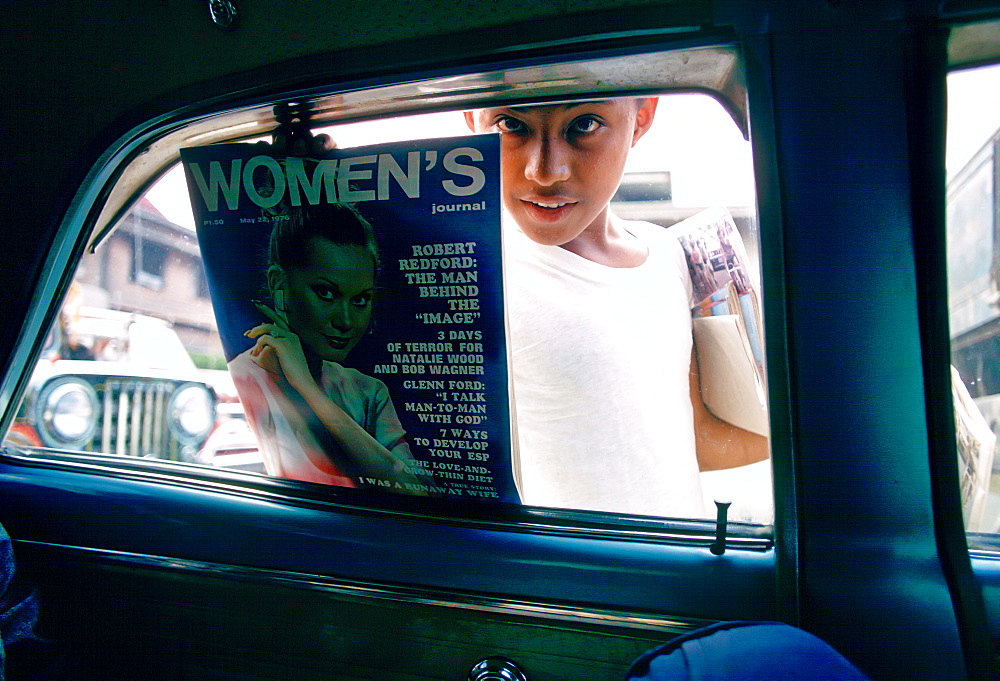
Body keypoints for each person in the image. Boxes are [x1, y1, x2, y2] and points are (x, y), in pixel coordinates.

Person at [465, 99, 768, 517]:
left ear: (641, 118)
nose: (545, 170)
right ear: (470, 122)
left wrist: (819, 426)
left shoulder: (667, 253)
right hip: (562, 576)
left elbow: (688, 435)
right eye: (510, 124)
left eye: (584, 124)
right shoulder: (472, 266)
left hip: (684, 568)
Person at [228, 200, 430, 495]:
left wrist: (308, 388)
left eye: (360, 299)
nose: (345, 321)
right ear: (278, 284)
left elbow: (419, 494)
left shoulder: (368, 392)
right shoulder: (240, 381)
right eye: (325, 293)